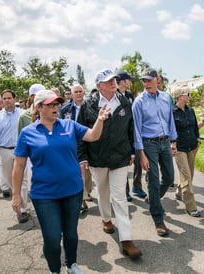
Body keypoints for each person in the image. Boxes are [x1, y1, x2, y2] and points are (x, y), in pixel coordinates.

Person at [12, 89, 110, 274]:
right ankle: (55, 270)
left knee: (71, 234)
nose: (55, 107)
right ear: (39, 107)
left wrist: (100, 119)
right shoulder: (27, 133)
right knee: (52, 238)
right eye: (50, 105)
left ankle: (71, 264)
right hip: (44, 195)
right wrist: (17, 195)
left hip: (72, 191)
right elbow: (18, 166)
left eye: (56, 104)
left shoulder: (69, 125)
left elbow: (93, 135)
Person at [77, 69, 142, 259]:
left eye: (114, 79)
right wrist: (83, 157)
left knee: (119, 197)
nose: (113, 82)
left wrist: (131, 151)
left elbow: (130, 128)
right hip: (97, 158)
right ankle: (106, 219)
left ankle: (126, 240)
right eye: (108, 81)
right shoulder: (88, 106)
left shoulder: (124, 102)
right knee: (103, 192)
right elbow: (80, 134)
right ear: (99, 86)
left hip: (120, 157)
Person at [132, 68, 177, 237]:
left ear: (157, 79)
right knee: (153, 180)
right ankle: (158, 219)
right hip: (148, 143)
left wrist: (173, 141)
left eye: (149, 80)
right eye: (143, 80)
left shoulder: (166, 97)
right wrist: (141, 154)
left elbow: (170, 121)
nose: (146, 83)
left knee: (170, 178)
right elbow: (136, 129)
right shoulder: (139, 102)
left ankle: (153, 198)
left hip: (165, 141)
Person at [0, 89, 29, 223]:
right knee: (11, 180)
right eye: (4, 98)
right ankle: (19, 200)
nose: (6, 100)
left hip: (21, 151)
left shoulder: (23, 115)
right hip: (4, 151)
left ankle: (22, 210)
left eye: (9, 98)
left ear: (15, 99)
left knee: (22, 180)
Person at [60, 84, 93, 213]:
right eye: (76, 92)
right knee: (78, 172)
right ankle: (81, 199)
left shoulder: (90, 107)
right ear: (72, 94)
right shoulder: (65, 109)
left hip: (89, 142)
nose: (78, 94)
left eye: (80, 91)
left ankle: (87, 192)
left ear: (84, 93)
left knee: (88, 172)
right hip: (72, 144)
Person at [116, 71, 147, 202]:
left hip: (133, 132)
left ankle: (137, 186)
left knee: (139, 160)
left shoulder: (129, 95)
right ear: (122, 81)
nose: (131, 82)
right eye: (129, 80)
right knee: (124, 163)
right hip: (121, 134)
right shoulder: (114, 95)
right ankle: (125, 191)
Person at [172, 87, 202, 216]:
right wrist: (172, 144)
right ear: (179, 96)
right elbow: (170, 129)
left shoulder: (191, 110)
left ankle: (179, 192)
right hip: (180, 148)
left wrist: (197, 141)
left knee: (190, 174)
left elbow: (195, 127)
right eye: (188, 94)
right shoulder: (172, 112)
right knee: (187, 176)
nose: (190, 96)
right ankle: (191, 206)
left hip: (192, 146)